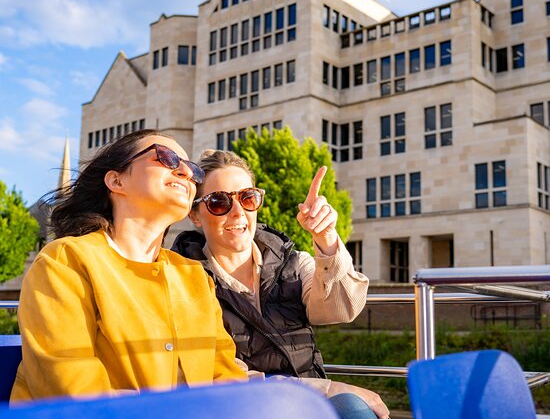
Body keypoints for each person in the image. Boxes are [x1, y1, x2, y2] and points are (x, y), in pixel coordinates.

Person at [11, 130, 246, 403]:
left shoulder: (194, 275)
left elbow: (227, 379)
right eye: (167, 158)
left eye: (193, 169)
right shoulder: (65, 262)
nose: (186, 172)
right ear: (116, 180)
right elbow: (72, 391)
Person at [172, 150, 389, 419]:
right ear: (195, 216)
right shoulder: (183, 279)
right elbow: (221, 378)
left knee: (354, 409)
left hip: (309, 403)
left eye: (247, 197)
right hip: (240, 410)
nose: (238, 212)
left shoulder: (293, 262)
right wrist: (327, 388)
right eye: (218, 202)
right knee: (351, 406)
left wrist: (327, 239)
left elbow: (341, 309)